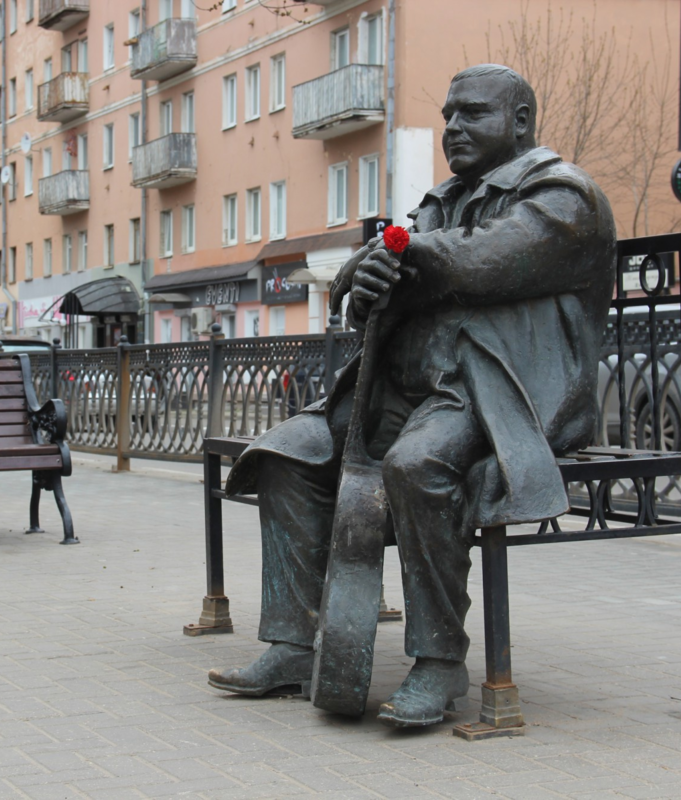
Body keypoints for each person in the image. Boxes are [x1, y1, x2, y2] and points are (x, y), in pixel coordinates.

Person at [207, 64, 617, 727]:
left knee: (416, 465)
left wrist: (396, 256)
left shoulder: (565, 197)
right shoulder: (441, 202)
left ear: (518, 122)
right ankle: (288, 646)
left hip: (495, 396)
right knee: (286, 453)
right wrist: (363, 283)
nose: (453, 126)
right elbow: (391, 289)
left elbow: (485, 258)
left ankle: (439, 661)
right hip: (400, 390)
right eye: (448, 113)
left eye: (472, 113)